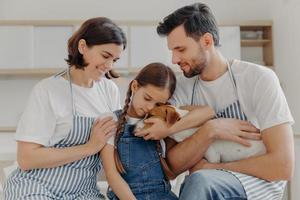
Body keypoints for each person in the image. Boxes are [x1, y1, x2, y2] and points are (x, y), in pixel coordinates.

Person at [136, 3, 295, 200]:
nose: (174, 59)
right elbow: (173, 167)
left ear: (207, 41)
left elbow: (282, 166)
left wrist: (214, 168)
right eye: (172, 51)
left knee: (200, 180)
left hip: (259, 182)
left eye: (181, 49)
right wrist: (210, 130)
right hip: (209, 183)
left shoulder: (259, 79)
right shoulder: (181, 90)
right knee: (197, 182)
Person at [4, 17, 126, 199]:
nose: (109, 65)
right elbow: (26, 159)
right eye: (105, 55)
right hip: (36, 186)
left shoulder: (110, 91)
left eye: (114, 60)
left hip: (83, 192)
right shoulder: (48, 90)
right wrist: (90, 147)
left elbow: (113, 148)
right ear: (83, 47)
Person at [100, 62, 215, 200]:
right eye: (147, 98)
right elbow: (112, 176)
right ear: (135, 86)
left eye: (158, 104)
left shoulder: (164, 120)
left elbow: (208, 112)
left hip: (163, 195)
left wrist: (168, 129)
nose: (150, 107)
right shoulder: (111, 120)